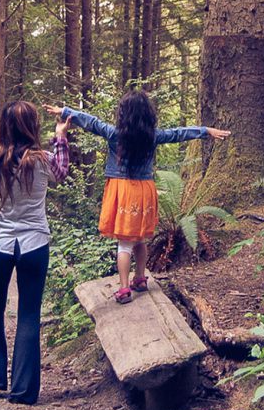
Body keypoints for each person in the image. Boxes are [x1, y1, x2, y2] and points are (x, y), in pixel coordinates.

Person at [55, 92, 229, 304]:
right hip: (144, 190)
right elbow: (178, 133)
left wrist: (66, 112)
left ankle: (124, 288)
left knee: (124, 244)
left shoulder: (114, 134)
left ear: (123, 114)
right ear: (148, 115)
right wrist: (205, 131)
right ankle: (139, 278)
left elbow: (92, 122)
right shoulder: (152, 136)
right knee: (138, 238)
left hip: (123, 190)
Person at [0, 100, 71, 404]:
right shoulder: (43, 160)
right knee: (29, 313)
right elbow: (63, 172)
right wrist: (61, 135)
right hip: (34, 245)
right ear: (33, 127)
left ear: (4, 126)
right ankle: (24, 391)